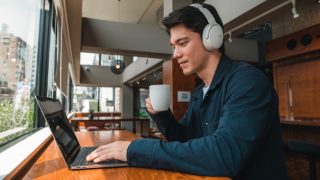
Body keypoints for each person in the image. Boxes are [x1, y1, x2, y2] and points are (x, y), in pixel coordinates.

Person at [87, 3, 288, 179]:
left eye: (182, 43)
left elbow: (225, 155)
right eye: (173, 46)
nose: (175, 54)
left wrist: (135, 149)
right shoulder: (199, 93)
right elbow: (184, 140)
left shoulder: (247, 82)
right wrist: (162, 116)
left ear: (212, 38)